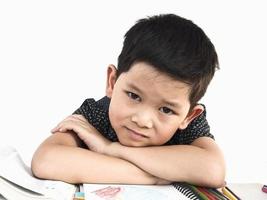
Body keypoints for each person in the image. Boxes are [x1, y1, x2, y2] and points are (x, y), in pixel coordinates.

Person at [31, 14, 225, 188]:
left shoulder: (188, 127)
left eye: (166, 110)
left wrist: (110, 149)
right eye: (133, 96)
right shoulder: (98, 113)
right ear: (112, 82)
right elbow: (46, 160)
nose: (142, 120)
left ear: (189, 116)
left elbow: (213, 170)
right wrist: (152, 177)